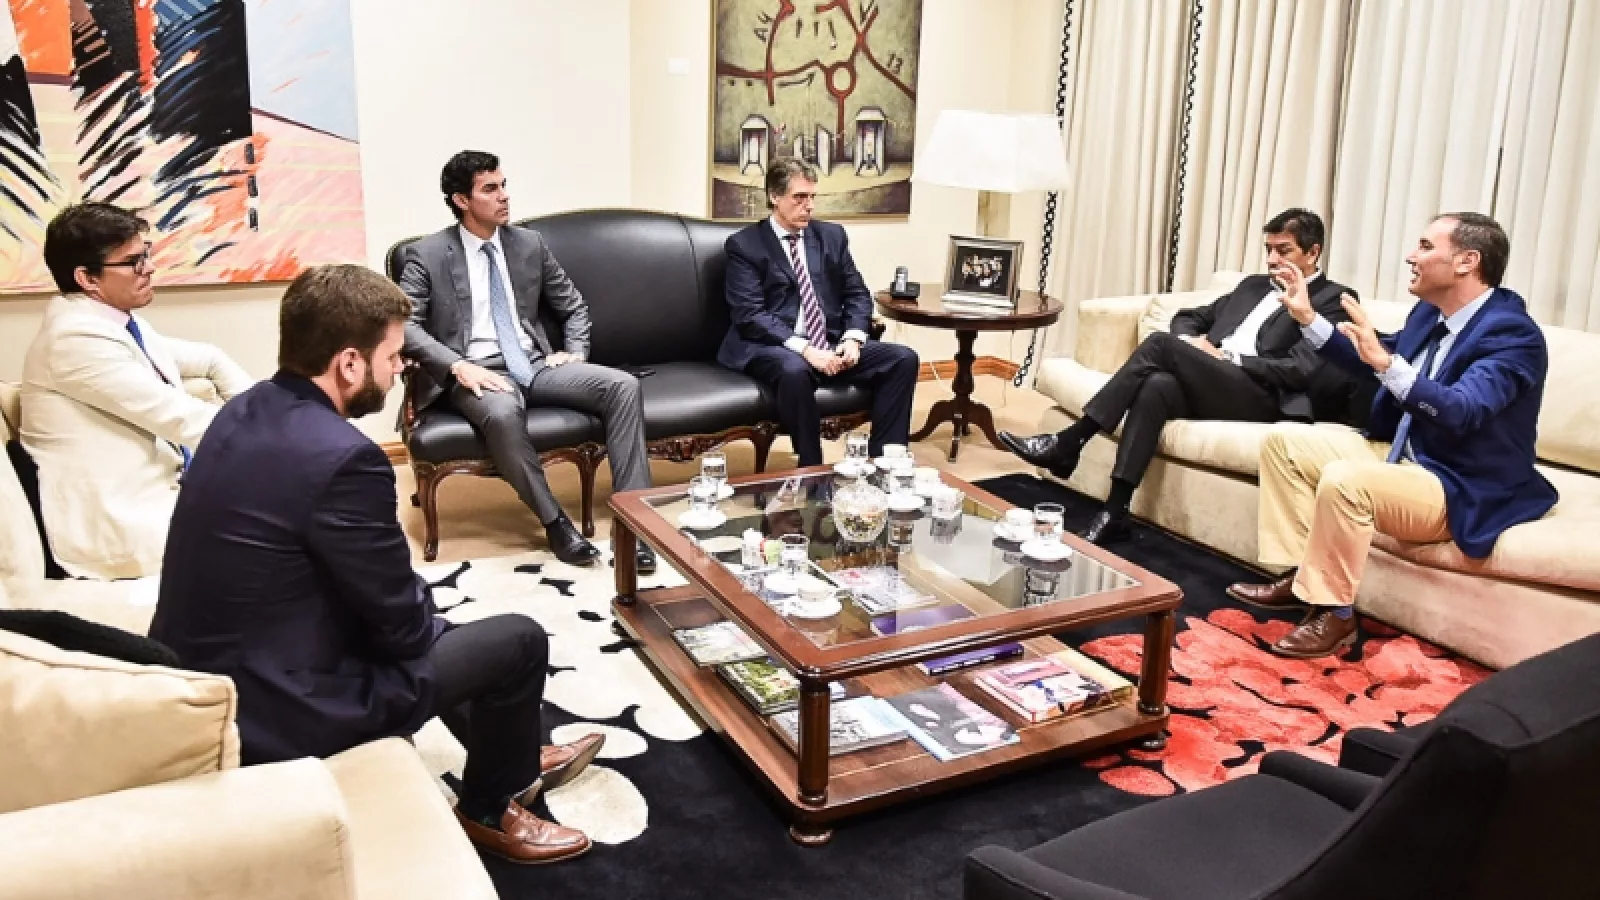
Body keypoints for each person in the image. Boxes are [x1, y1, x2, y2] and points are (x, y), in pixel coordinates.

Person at [149, 265, 604, 864]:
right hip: (280, 708)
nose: (400, 369)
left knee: (437, 628)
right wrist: (417, 620)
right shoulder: (347, 460)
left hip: (213, 672)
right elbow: (402, 628)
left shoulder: (245, 408)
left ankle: (513, 755)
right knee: (516, 641)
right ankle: (490, 807)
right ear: (348, 364)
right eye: (392, 357)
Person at [1228, 213, 1557, 658]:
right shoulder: (1430, 312)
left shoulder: (1513, 335)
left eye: (1425, 246)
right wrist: (1309, 319)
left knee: (1347, 481)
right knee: (1285, 443)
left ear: (1467, 262)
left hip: (1457, 480)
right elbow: (1378, 355)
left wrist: (1387, 364)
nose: (1411, 256)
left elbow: (1462, 411)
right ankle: (1302, 576)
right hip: (1404, 450)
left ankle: (1336, 615)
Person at [998, 209, 1364, 544]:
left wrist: (1227, 356)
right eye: (1268, 249)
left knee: (1160, 345)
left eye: (1283, 251)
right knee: (1156, 385)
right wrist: (1193, 344)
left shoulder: (1334, 300)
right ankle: (1115, 510)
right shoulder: (1253, 286)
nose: (1271, 259)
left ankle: (1070, 441)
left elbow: (1300, 371)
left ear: (1313, 253)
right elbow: (1191, 317)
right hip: (1217, 382)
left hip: (1265, 395)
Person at [398, 150, 654, 572]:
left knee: (622, 386)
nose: (504, 196)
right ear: (461, 200)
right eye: (490, 189)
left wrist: (575, 350)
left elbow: (573, 306)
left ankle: (635, 524)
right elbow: (405, 325)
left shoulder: (528, 244)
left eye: (504, 185)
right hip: (476, 372)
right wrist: (457, 366)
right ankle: (555, 522)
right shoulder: (426, 255)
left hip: (533, 364)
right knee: (502, 412)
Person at [20, 202, 251, 579]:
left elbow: (210, 359)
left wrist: (271, 416)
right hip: (123, 525)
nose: (150, 268)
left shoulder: (116, 325)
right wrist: (279, 437)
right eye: (133, 262)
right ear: (87, 278)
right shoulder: (73, 339)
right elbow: (182, 418)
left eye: (146, 254)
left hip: (169, 493)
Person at [717, 157, 919, 466]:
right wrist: (807, 350)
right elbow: (749, 314)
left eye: (812, 197)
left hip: (829, 341)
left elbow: (857, 293)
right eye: (799, 197)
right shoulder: (745, 245)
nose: (809, 206)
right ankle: (811, 467)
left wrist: (853, 339)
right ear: (774, 196)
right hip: (773, 345)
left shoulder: (831, 237)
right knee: (794, 370)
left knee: (902, 359)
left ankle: (886, 462)